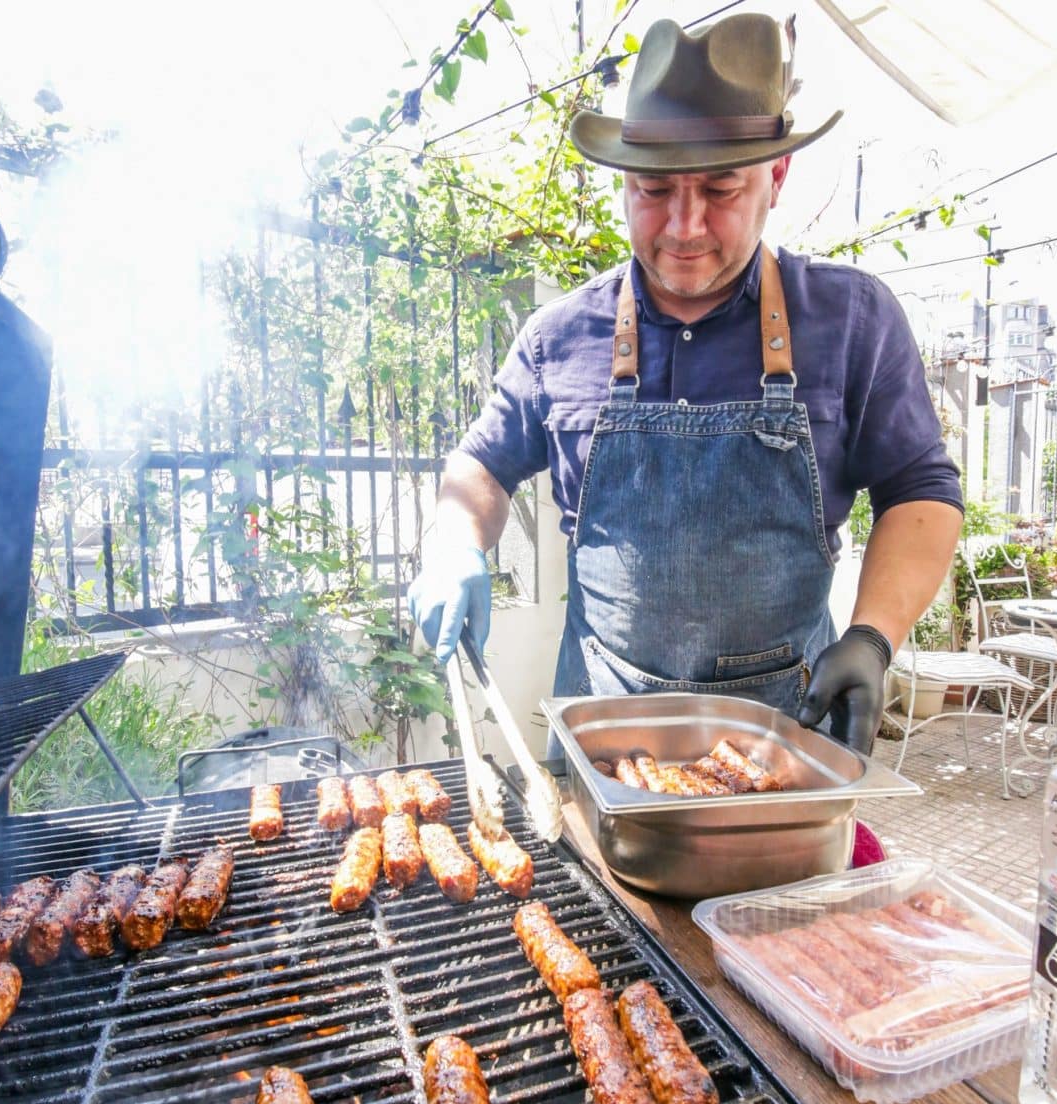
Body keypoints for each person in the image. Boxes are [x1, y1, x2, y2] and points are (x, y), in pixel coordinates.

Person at [408, 12, 964, 756]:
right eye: (654, 189)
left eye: (720, 189)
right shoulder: (560, 336)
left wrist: (872, 636)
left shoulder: (853, 319)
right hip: (600, 743)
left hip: (782, 742)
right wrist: (456, 547)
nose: (684, 224)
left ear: (777, 176)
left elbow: (920, 489)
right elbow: (479, 466)